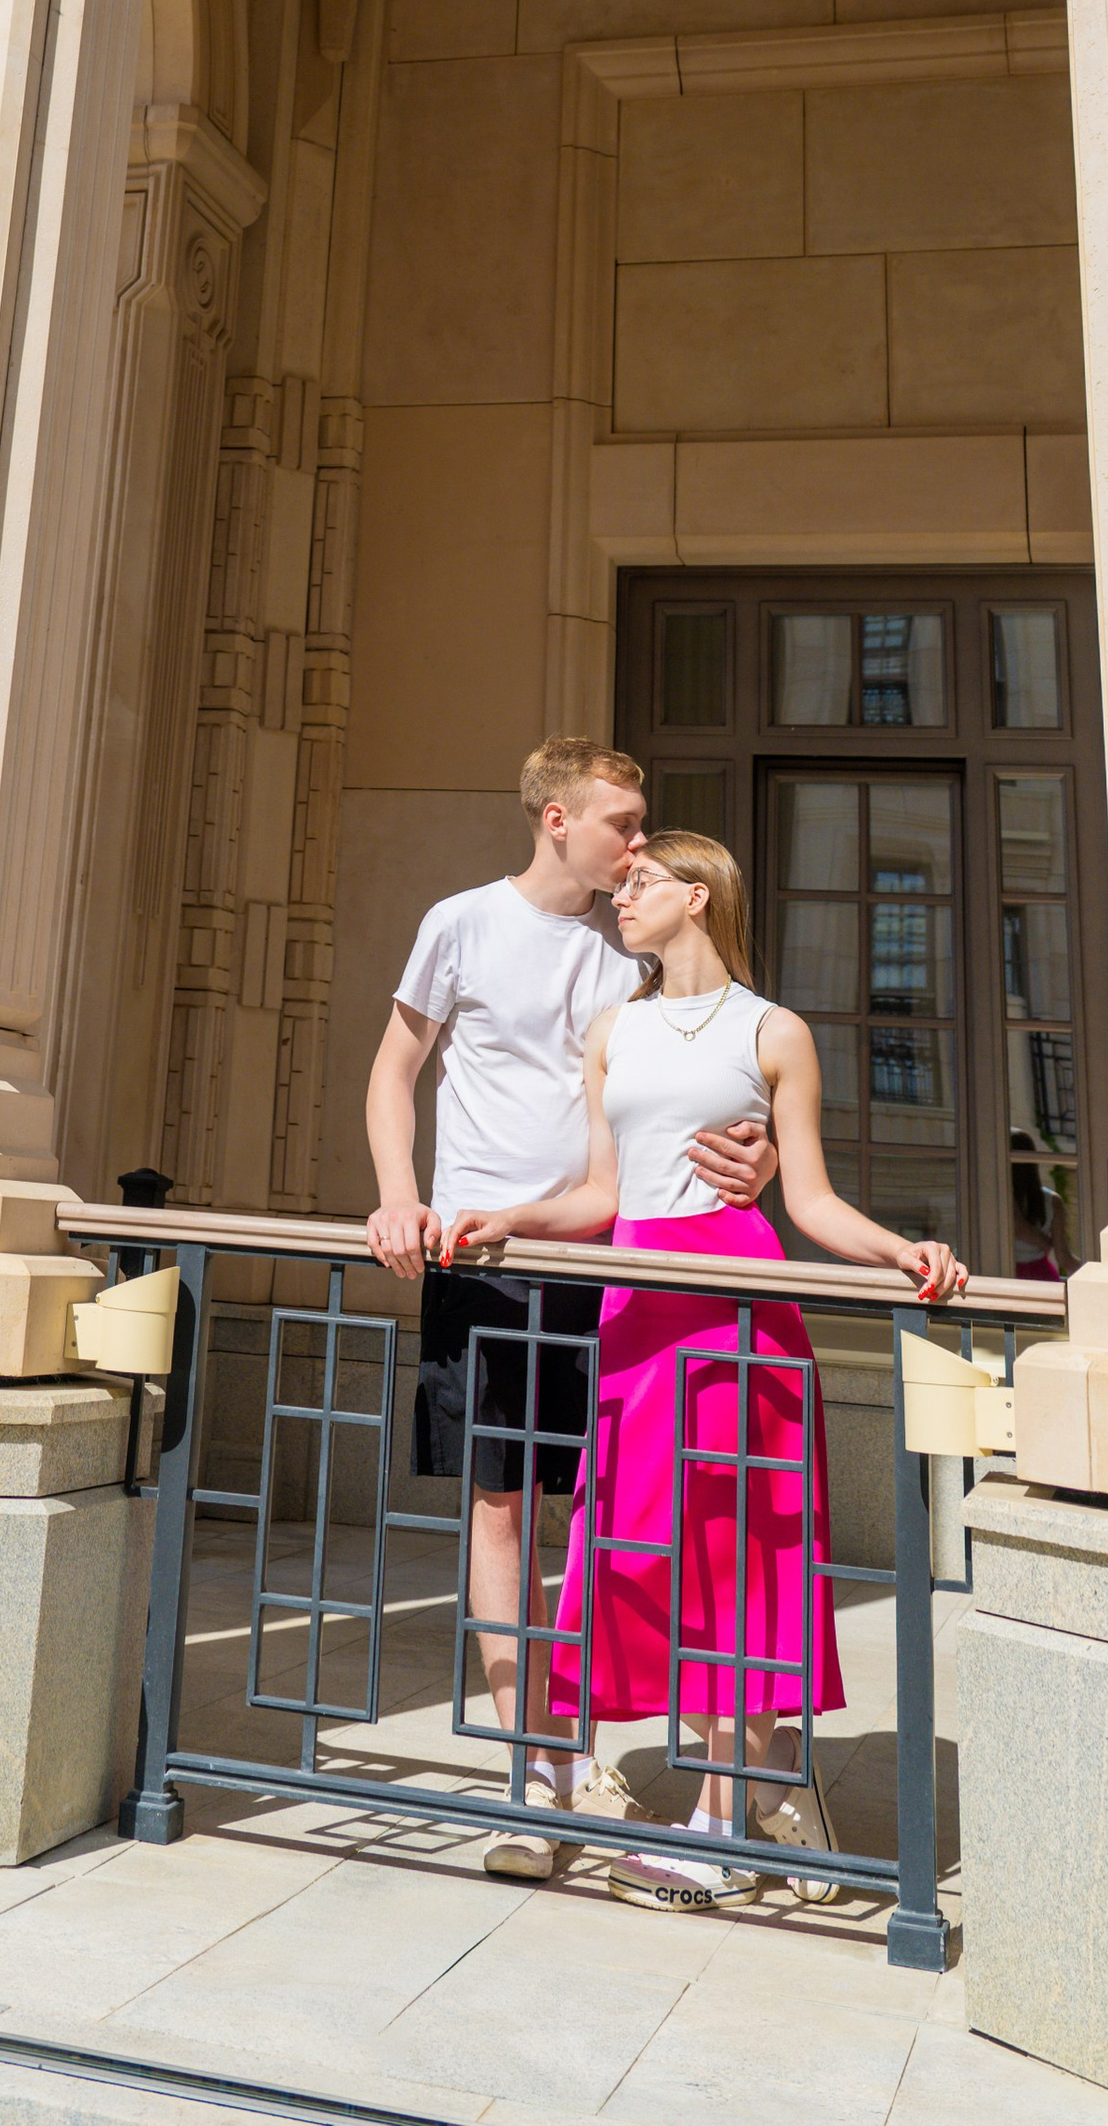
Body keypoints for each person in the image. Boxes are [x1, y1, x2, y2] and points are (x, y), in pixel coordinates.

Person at [444, 829, 967, 1911]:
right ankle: (766, 1780)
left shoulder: (774, 1032)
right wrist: (512, 1220)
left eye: (638, 885)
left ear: (696, 896)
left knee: (734, 1551)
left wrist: (905, 1250)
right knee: (624, 1545)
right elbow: (602, 1192)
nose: (619, 899)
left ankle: (723, 1824)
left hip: (738, 1312)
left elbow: (808, 1203)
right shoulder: (614, 1031)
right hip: (635, 1312)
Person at [365, 743, 775, 1880]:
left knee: (620, 1523)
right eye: (623, 823)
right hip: (477, 1261)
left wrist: (762, 1148)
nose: (637, 845)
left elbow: (705, 1070)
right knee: (502, 1514)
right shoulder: (461, 923)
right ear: (559, 818)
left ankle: (722, 1777)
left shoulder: (628, 949)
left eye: (644, 831)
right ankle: (530, 1764)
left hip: (611, 1263)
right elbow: (395, 1069)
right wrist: (400, 1199)